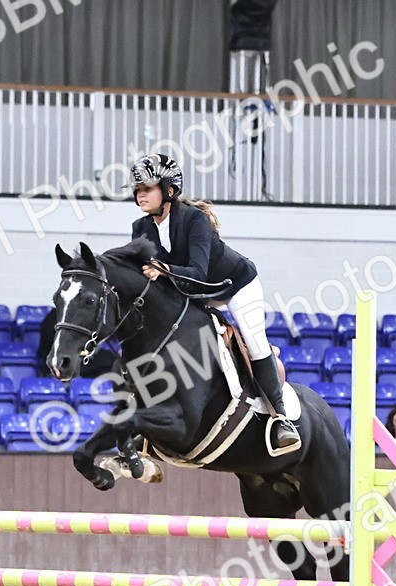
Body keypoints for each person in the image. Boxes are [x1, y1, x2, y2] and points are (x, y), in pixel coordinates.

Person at [127, 153, 300, 453]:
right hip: (195, 293)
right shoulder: (141, 228)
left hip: (234, 285)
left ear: (169, 190)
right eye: (138, 189)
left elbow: (198, 273)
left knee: (255, 341)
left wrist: (164, 270)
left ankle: (280, 418)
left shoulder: (194, 220)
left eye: (148, 188)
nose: (140, 194)